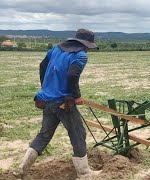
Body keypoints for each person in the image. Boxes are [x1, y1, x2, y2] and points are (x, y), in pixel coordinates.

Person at [14, 28, 101, 179]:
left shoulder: (55, 50)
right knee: (78, 134)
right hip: (63, 102)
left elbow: (42, 66)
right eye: (88, 46)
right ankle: (85, 175)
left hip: (46, 100)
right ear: (85, 44)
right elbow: (72, 75)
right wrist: (77, 96)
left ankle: (22, 168)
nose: (88, 49)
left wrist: (46, 88)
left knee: (44, 135)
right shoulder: (80, 56)